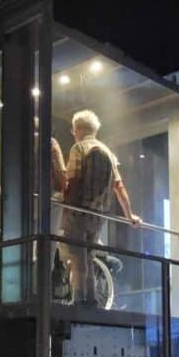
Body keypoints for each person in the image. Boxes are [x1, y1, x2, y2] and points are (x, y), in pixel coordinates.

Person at [62, 109, 141, 304]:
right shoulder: (108, 153)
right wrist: (130, 215)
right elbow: (119, 187)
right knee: (88, 257)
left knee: (77, 257)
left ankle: (79, 300)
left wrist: (65, 208)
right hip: (98, 217)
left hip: (78, 213)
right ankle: (92, 300)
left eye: (73, 130)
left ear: (78, 129)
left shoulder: (79, 149)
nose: (74, 133)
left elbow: (73, 182)